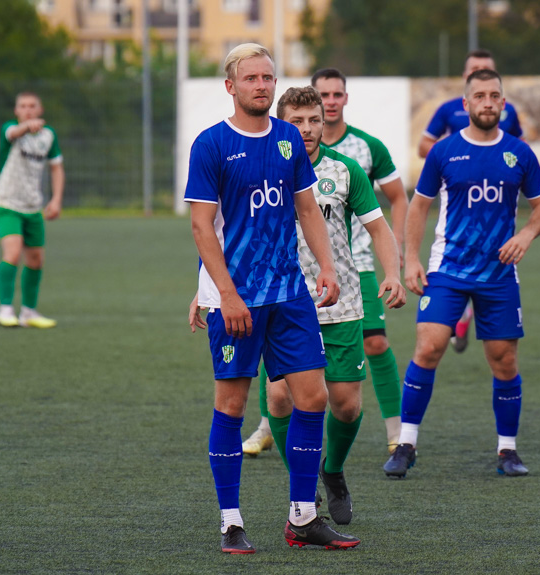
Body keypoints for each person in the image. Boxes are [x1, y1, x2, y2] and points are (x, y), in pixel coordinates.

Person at [184, 43, 359, 553]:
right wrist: (227, 294)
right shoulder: (211, 144)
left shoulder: (288, 139)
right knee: (232, 405)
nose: (262, 85)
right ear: (231, 87)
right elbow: (201, 227)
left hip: (290, 294)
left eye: (268, 77)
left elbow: (307, 210)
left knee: (313, 397)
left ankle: (303, 517)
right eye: (251, 78)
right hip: (235, 300)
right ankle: (231, 521)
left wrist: (326, 266)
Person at [384, 69, 540, 479]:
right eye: (480, 96)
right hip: (448, 269)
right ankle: (405, 444)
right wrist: (411, 258)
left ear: (503, 104)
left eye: (495, 96)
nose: (489, 103)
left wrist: (526, 235)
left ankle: (507, 451)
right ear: (466, 105)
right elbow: (419, 205)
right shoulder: (443, 153)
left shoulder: (520, 153)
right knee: (428, 347)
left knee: (503, 359)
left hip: (499, 274)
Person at [256, 86, 405, 526]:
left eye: (314, 120)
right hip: (280, 300)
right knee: (280, 398)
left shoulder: (344, 171)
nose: (306, 129)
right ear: (282, 122)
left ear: (325, 123)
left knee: (345, 406)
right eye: (297, 121)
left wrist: (392, 273)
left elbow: (378, 228)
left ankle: (332, 471)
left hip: (339, 301)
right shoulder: (260, 169)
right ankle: (302, 484)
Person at [311, 67, 410, 456]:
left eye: (338, 95)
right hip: (298, 273)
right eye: (325, 95)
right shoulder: (286, 149)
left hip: (358, 265)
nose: (331, 102)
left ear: (345, 99)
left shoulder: (366, 148)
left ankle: (397, 430)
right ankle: (268, 424)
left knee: (377, 342)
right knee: (285, 353)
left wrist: (395, 248)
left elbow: (398, 198)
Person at [417, 49, 524, 353]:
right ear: (465, 77)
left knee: (491, 257)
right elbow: (424, 144)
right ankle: (461, 311)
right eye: (474, 69)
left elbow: (520, 146)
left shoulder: (508, 111)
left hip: (496, 204)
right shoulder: (448, 109)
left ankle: (469, 311)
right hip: (459, 195)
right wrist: (453, 156)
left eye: (486, 69)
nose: (479, 72)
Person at [0, 92, 64, 329]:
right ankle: (5, 309)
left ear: (40, 109)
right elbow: (13, 133)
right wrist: (25, 127)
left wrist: (55, 199)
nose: (28, 110)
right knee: (12, 253)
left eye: (32, 106)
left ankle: (29, 312)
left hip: (33, 206)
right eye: (22, 106)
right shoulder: (11, 130)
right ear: (16, 111)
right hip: (7, 203)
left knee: (35, 260)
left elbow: (56, 168)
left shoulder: (48, 136)